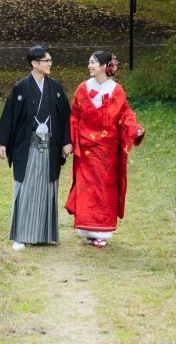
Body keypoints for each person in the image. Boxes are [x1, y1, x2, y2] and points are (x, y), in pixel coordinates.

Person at [0, 45, 72, 250]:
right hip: (26, 146)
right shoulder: (20, 87)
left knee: (48, 187)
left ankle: (44, 234)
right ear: (34, 63)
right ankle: (21, 234)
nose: (49, 64)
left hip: (50, 145)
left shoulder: (55, 88)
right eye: (46, 61)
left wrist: (66, 141)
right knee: (26, 187)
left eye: (50, 60)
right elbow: (9, 116)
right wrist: (2, 142)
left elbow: (65, 116)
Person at [65, 49, 145, 248]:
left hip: (107, 150)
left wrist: (135, 129)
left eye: (93, 62)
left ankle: (102, 231)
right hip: (85, 148)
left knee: (104, 190)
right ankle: (87, 229)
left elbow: (125, 115)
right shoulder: (83, 88)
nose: (89, 65)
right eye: (89, 62)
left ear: (104, 66)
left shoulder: (116, 90)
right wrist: (70, 139)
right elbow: (74, 115)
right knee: (86, 188)